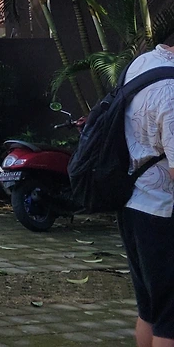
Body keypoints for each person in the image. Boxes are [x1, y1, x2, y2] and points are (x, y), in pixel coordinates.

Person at [121, 39, 174, 347]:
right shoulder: (172, 90)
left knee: (150, 310)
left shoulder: (143, 63)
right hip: (163, 213)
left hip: (133, 202)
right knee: (170, 318)